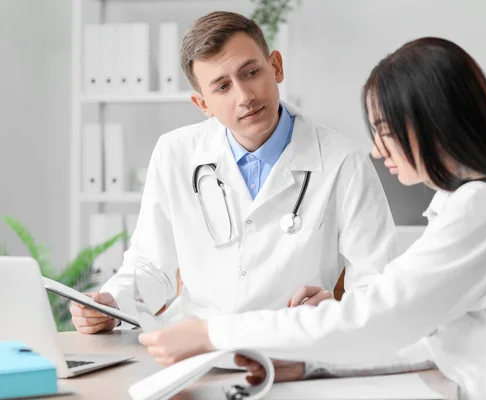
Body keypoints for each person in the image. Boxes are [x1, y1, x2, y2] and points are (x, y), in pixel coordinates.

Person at [138, 37, 486, 399]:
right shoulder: (473, 203)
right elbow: (425, 335)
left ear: (431, 120)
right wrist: (312, 363)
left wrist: (211, 332)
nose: (378, 149)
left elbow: (378, 317)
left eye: (383, 129)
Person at [69, 12, 398, 334]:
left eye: (251, 72)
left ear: (276, 67)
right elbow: (151, 265)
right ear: (203, 104)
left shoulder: (344, 162)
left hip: (292, 344)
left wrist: (331, 313)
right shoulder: (174, 153)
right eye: (222, 87)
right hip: (194, 345)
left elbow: (375, 284)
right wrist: (110, 304)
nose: (245, 97)